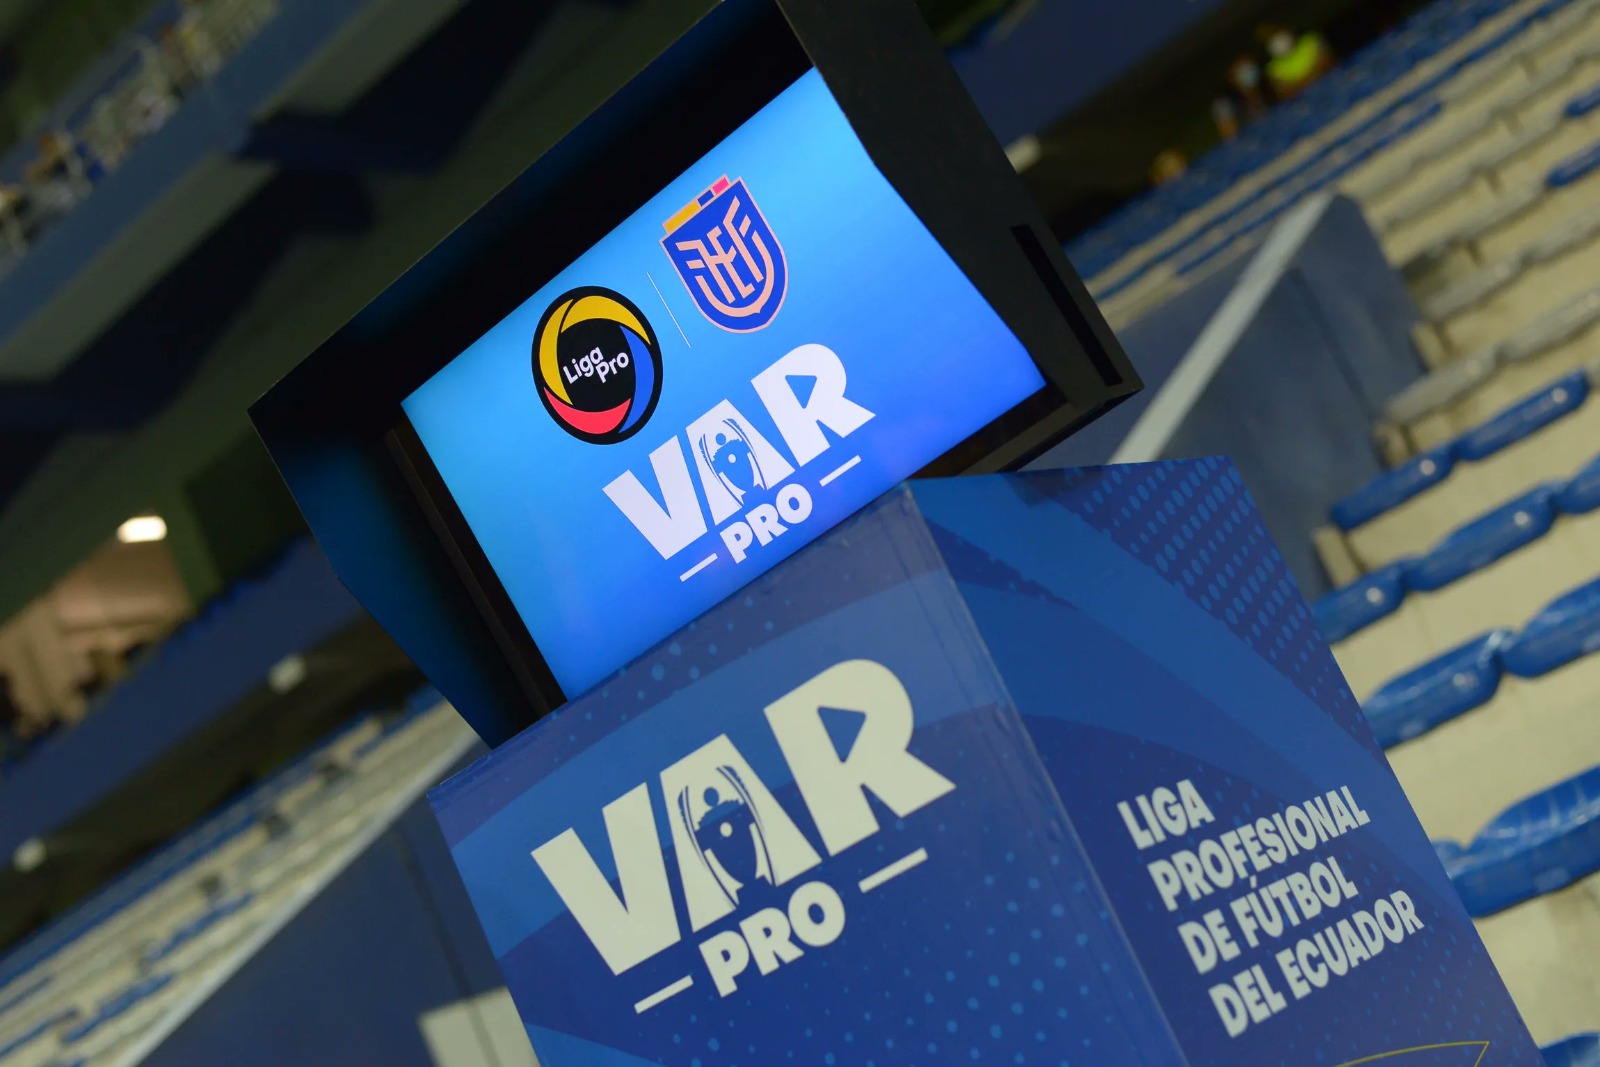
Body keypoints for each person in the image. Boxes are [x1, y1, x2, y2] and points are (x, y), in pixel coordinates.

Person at [1260, 24, 1336, 100]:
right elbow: (1284, 93)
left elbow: (1329, 63)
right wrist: (1312, 77)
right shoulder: (1273, 68)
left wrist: (1300, 84)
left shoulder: (1311, 41)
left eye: (1276, 33)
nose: (1276, 40)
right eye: (1270, 39)